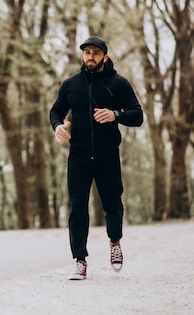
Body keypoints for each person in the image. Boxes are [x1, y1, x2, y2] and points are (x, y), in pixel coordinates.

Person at [49, 36, 143, 280]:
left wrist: (114, 115)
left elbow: (137, 115)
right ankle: (80, 260)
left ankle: (114, 241)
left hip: (107, 154)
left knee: (112, 203)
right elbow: (56, 110)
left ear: (105, 57)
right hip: (78, 155)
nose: (90, 57)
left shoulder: (118, 84)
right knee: (77, 207)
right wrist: (58, 126)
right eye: (87, 52)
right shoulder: (71, 84)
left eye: (95, 53)